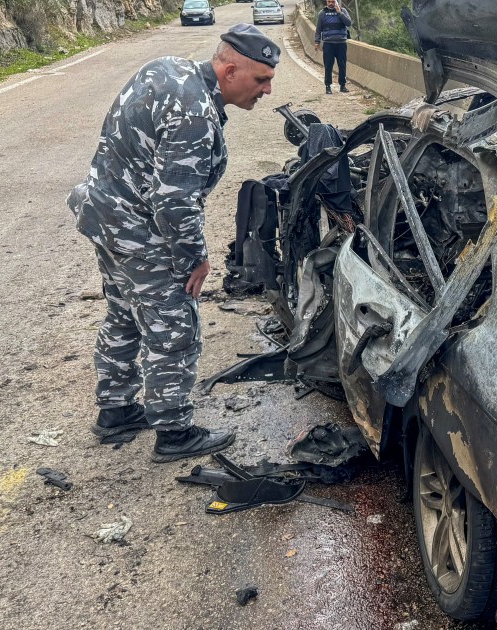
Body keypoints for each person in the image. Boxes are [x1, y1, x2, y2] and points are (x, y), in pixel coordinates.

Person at [67, 24, 278, 462]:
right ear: (230, 71)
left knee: (124, 313)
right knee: (174, 329)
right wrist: (194, 259)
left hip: (105, 216)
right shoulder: (195, 114)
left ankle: (116, 409)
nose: (267, 90)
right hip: (140, 231)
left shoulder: (168, 68)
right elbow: (174, 201)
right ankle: (174, 432)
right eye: (261, 79)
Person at [315, 0, 352, 94]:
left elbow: (349, 23)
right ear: (327, 2)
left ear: (336, 2)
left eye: (333, 2)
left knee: (342, 65)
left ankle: (342, 86)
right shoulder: (322, 13)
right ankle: (328, 86)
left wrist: (339, 13)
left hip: (341, 43)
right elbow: (318, 29)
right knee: (328, 65)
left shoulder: (343, 11)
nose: (331, 4)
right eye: (329, 2)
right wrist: (317, 41)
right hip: (328, 44)